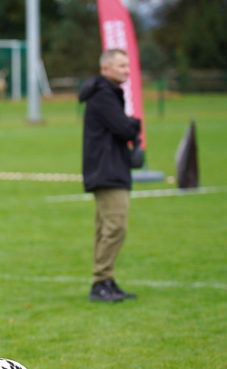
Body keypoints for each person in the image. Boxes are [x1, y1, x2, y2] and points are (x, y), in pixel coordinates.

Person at [79, 48, 142, 302]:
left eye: (127, 66)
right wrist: (134, 125)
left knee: (106, 228)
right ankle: (100, 283)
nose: (126, 70)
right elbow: (123, 127)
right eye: (120, 66)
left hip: (109, 168)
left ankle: (106, 281)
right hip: (107, 171)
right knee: (115, 227)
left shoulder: (108, 93)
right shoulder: (104, 94)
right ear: (105, 69)